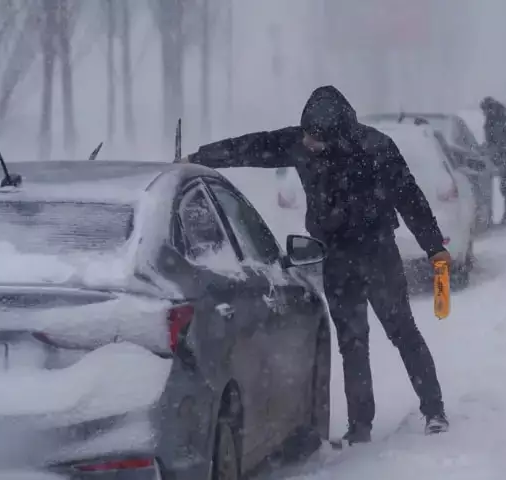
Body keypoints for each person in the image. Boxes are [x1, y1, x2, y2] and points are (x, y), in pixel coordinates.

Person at [182, 85, 450, 443]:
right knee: (352, 342)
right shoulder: (299, 142)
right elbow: (252, 147)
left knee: (402, 332)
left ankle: (434, 409)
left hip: (378, 253)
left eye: (316, 138)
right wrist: (199, 158)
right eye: (306, 134)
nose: (308, 143)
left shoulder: (377, 148)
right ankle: (360, 426)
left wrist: (433, 248)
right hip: (336, 255)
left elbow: (410, 198)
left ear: (337, 133)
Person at [480, 96, 506, 225]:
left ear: (489, 108)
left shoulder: (498, 120)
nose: (484, 112)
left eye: (485, 110)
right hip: (505, 157)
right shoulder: (496, 118)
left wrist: (497, 154)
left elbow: (503, 141)